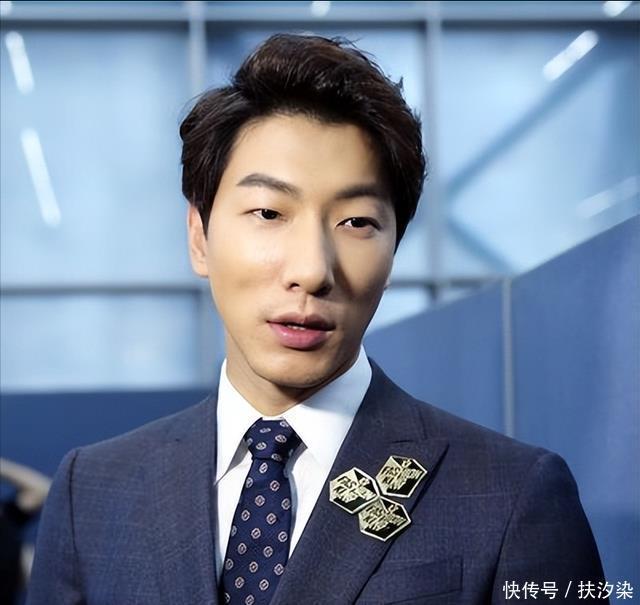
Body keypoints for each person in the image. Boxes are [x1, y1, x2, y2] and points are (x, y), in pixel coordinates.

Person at [27, 34, 605, 605]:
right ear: (199, 237)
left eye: (356, 223)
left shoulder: (511, 494)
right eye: (268, 212)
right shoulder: (92, 492)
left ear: (394, 249)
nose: (311, 270)